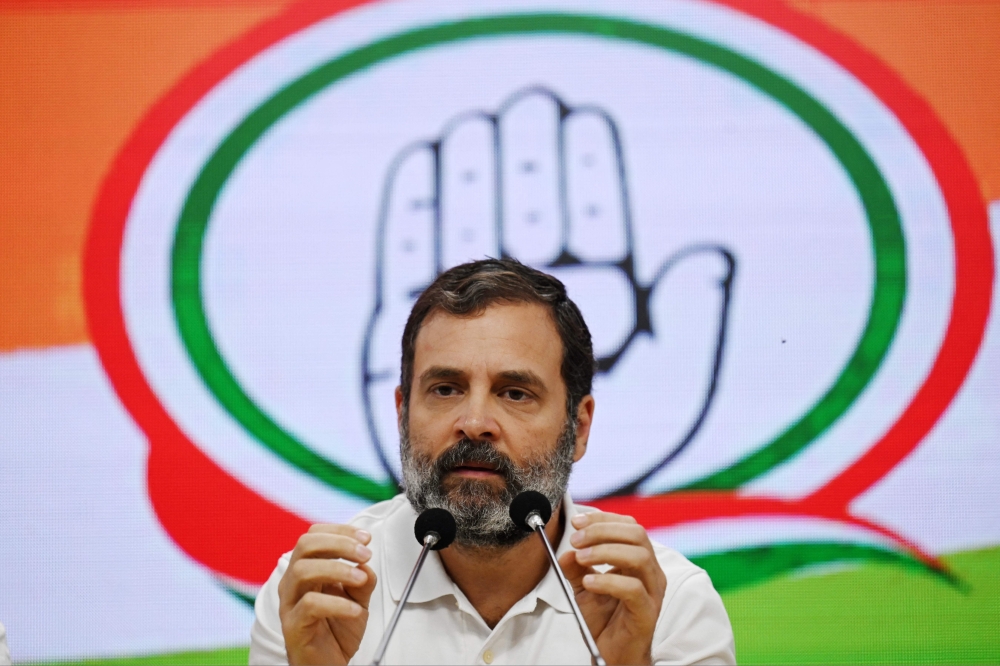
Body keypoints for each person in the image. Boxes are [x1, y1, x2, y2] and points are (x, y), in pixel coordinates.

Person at [249, 259, 735, 665]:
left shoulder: (667, 605)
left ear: (579, 428)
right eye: (446, 389)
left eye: (515, 393)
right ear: (401, 414)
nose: (475, 423)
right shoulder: (317, 595)